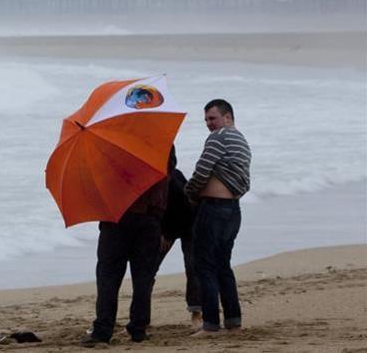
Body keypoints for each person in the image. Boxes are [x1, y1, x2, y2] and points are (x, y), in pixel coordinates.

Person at [80, 168, 169, 347]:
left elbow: (98, 189)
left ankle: (103, 330)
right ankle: (138, 328)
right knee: (143, 278)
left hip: (116, 219)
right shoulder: (158, 151)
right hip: (148, 219)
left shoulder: (109, 154)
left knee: (108, 277)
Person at [185, 98, 251, 336]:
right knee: (223, 266)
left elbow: (202, 170)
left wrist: (190, 192)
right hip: (232, 210)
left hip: (213, 209)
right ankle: (233, 322)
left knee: (204, 265)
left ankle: (211, 324)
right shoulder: (241, 140)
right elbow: (243, 181)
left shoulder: (219, 137)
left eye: (212, 118)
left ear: (227, 117)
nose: (208, 124)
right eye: (205, 120)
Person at [158, 146, 201, 327]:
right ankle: (141, 317)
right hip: (167, 223)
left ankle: (197, 313)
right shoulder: (152, 180)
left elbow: (184, 212)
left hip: (190, 222)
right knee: (148, 267)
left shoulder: (174, 181)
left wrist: (167, 235)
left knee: (192, 266)